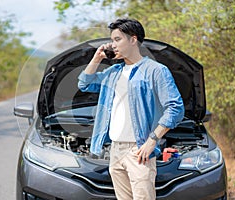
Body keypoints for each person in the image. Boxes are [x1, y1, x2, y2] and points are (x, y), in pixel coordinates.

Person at [78, 18, 184, 200]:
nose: (113, 44)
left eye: (117, 39)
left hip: (139, 150)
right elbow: (84, 84)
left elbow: (175, 108)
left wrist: (152, 141)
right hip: (115, 149)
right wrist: (97, 58)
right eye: (112, 40)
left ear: (133, 40)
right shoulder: (113, 73)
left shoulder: (156, 70)